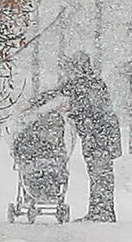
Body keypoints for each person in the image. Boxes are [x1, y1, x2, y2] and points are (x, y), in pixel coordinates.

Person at [45, 51, 121, 222]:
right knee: (100, 173)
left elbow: (88, 106)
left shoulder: (84, 84)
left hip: (99, 135)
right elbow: (57, 94)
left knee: (100, 173)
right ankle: (100, 210)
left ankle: (102, 212)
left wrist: (70, 108)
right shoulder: (91, 83)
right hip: (100, 134)